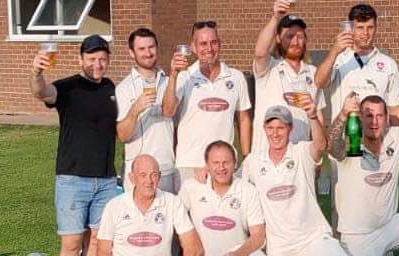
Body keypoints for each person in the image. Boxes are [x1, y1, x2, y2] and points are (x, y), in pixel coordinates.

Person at [29, 34, 117, 256]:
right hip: (73, 180)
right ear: (80, 60)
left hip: (106, 181)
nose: (97, 64)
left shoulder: (110, 88)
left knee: (98, 244)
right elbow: (42, 92)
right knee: (72, 245)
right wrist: (37, 72)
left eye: (102, 59)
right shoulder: (67, 87)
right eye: (91, 58)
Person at [327, 95, 399, 255]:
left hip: (390, 224)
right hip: (358, 235)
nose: (374, 122)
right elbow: (332, 146)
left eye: (379, 116)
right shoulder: (352, 142)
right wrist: (343, 114)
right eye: (368, 116)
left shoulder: (396, 136)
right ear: (360, 118)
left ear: (387, 118)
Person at [241, 105, 346, 256]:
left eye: (280, 128)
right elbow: (229, 178)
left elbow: (321, 145)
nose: (275, 134)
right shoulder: (253, 161)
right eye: (270, 128)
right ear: (264, 129)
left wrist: (312, 117)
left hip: (313, 239)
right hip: (279, 247)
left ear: (291, 129)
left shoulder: (301, 152)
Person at [162, 20, 253, 186]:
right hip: (190, 165)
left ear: (220, 44)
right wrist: (173, 75)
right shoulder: (184, 77)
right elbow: (168, 111)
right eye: (203, 43)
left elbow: (244, 119)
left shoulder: (236, 77)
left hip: (223, 166)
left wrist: (247, 158)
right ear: (194, 47)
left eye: (213, 42)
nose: (209, 49)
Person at [250, 0, 326, 154]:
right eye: (289, 36)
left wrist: (317, 154)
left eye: (300, 36)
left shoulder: (312, 72)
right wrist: (275, 18)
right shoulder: (269, 67)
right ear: (278, 38)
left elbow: (318, 115)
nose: (295, 42)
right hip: (266, 159)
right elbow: (259, 52)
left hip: (300, 158)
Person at [315, 3, 399, 126]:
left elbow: (395, 109)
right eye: (360, 27)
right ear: (351, 28)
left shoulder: (388, 63)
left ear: (376, 28)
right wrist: (334, 51)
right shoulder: (339, 59)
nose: (365, 33)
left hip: (378, 140)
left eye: (370, 27)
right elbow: (319, 83)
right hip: (344, 138)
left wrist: (397, 141)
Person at [97, 155, 203, 256]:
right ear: (132, 178)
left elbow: (193, 246)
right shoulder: (113, 206)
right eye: (143, 175)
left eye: (154, 175)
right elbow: (103, 251)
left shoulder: (173, 202)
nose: (149, 181)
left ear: (159, 177)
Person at [116, 28, 179, 193]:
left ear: (157, 48)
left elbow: (169, 112)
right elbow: (122, 135)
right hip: (138, 173)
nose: (148, 53)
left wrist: (173, 76)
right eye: (141, 49)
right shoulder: (124, 88)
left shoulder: (169, 82)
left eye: (151, 47)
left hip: (165, 168)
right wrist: (135, 110)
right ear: (131, 53)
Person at [179, 141, 266, 256]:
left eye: (226, 162)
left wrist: (236, 254)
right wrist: (189, 243)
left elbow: (258, 236)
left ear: (235, 163)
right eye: (216, 163)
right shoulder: (191, 186)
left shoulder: (248, 190)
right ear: (207, 165)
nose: (221, 168)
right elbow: (174, 220)